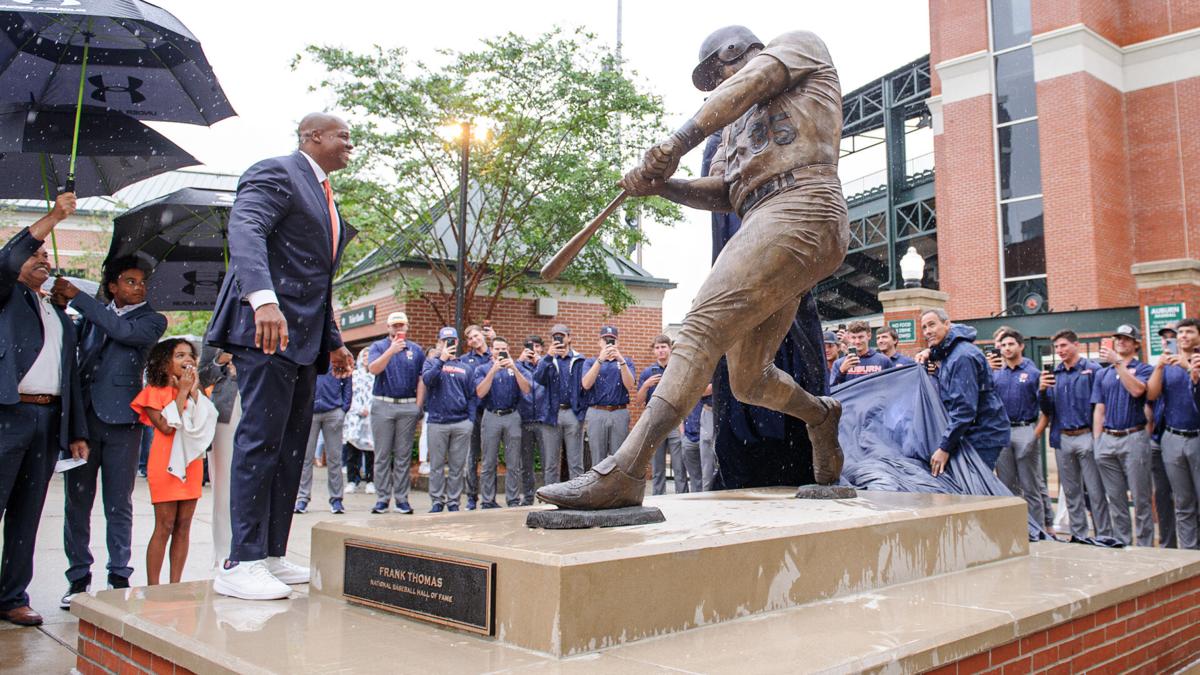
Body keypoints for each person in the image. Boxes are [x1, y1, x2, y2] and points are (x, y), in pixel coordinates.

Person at [539, 26, 848, 509]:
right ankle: (820, 416)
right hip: (764, 222)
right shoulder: (732, 128)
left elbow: (750, 82)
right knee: (749, 379)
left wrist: (678, 141)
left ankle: (625, 471)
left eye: (717, 74)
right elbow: (725, 191)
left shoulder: (798, 47)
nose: (717, 86)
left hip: (804, 201)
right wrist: (661, 185)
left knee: (699, 328)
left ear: (733, 52)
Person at [205, 112, 356, 601]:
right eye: (343, 136)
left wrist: (334, 341)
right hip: (267, 332)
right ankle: (238, 560)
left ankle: (269, 554)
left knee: (291, 449)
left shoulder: (326, 194)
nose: (350, 144)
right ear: (313, 137)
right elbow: (245, 230)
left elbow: (317, 282)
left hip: (304, 342)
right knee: (260, 442)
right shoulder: (277, 171)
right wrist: (263, 300)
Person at [53, 257, 166, 608]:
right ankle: (78, 577)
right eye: (131, 282)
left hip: (123, 425)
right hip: (84, 424)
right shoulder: (92, 317)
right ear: (113, 286)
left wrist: (80, 299)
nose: (140, 287)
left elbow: (123, 333)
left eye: (142, 282)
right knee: (77, 504)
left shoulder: (151, 320)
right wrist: (63, 306)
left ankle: (118, 575)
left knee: (119, 504)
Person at [0, 193, 88, 627]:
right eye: (34, 255)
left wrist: (74, 429)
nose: (43, 260)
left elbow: (67, 375)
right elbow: (8, 258)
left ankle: (12, 596)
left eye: (45, 257)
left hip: (48, 417)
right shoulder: (4, 295)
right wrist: (55, 216)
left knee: (27, 513)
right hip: (7, 415)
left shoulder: (57, 310)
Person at [130, 339, 217, 585]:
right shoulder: (152, 393)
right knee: (165, 524)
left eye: (190, 355)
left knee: (184, 525)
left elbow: (206, 424)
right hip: (165, 463)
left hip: (191, 463)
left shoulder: (195, 393)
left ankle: (175, 584)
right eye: (179, 355)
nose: (187, 359)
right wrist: (181, 394)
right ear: (164, 362)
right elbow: (167, 426)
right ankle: (154, 586)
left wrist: (193, 392)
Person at [1038, 330, 1111, 540]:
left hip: (1087, 435)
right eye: (1057, 347)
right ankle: (1079, 535)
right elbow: (1047, 409)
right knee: (1071, 492)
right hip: (1063, 438)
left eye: (1063, 346)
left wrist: (1098, 438)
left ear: (1075, 345)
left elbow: (1100, 405)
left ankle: (1104, 535)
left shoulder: (1093, 370)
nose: (1060, 351)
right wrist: (1042, 391)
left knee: (1095, 491)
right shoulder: (1055, 374)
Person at [918, 309, 1009, 476]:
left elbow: (963, 409)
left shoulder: (961, 357)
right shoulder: (950, 353)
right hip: (973, 432)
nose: (927, 331)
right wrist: (930, 353)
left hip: (982, 435)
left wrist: (944, 447)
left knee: (975, 492)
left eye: (932, 324)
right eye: (924, 327)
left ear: (947, 324)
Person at [1091, 324, 1155, 547]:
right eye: (1118, 338)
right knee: (1116, 499)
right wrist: (1097, 442)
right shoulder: (1103, 373)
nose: (1121, 342)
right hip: (1108, 438)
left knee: (1141, 498)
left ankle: (1145, 547)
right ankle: (1122, 543)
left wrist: (1118, 363)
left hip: (1134, 435)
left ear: (1136, 344)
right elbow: (1100, 408)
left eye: (1127, 339)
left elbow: (1138, 391)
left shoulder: (1145, 369)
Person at [1147, 318, 1200, 549]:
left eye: (1189, 332)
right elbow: (1151, 394)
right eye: (1181, 332)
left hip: (1197, 437)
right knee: (1183, 501)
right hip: (1172, 438)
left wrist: (1189, 367)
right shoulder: (1167, 364)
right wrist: (1160, 366)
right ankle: (1190, 555)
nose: (1184, 336)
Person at [366, 312, 424, 514]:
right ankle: (382, 498)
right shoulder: (378, 347)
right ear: (388, 327)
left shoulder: (416, 350)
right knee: (382, 454)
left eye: (402, 325)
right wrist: (391, 351)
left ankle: (401, 498)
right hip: (383, 403)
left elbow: (421, 378)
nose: (398, 329)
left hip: (407, 405)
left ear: (407, 327)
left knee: (403, 454)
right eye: (395, 325)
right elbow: (373, 368)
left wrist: (418, 405)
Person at [991, 329, 1050, 526]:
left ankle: (1037, 529)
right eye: (1004, 345)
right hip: (1003, 432)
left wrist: (1035, 435)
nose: (1007, 348)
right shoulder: (997, 376)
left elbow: (1047, 410)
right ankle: (1013, 528)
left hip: (1025, 428)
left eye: (1011, 344)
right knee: (1007, 485)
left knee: (1030, 486)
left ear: (1021, 346)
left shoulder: (1033, 374)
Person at [473, 336, 531, 508]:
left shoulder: (516, 368)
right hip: (491, 415)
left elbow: (527, 389)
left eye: (502, 348)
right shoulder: (483, 368)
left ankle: (512, 499)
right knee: (489, 461)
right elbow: (480, 393)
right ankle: (488, 500)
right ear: (491, 350)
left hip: (512, 415)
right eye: (496, 349)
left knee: (513, 461)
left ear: (508, 349)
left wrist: (514, 367)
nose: (499, 352)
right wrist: (493, 370)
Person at [423, 327, 475, 512]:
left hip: (461, 423)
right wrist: (442, 359)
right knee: (436, 465)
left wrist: (470, 420)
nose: (449, 344)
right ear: (439, 343)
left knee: (457, 466)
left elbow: (471, 395)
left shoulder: (465, 368)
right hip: (437, 422)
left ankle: (453, 502)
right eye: (445, 341)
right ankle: (437, 501)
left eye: (452, 340)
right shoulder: (430, 363)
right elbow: (428, 380)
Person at [199, 347, 240, 568]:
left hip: (261, 402)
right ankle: (225, 552)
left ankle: (257, 549)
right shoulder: (218, 328)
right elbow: (202, 376)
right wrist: (221, 360)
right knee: (224, 484)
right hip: (227, 408)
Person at [533, 324, 587, 483]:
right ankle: (550, 497)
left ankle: (577, 497)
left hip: (573, 413)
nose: (559, 339)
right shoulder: (548, 360)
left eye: (561, 336)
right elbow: (538, 379)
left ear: (569, 338)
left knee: (576, 462)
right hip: (552, 414)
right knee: (551, 463)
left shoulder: (579, 360)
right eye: (555, 337)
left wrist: (581, 413)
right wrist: (548, 357)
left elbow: (585, 387)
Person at [636, 335, 689, 494]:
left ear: (670, 348)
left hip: (674, 423)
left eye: (663, 347)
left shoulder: (678, 369)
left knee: (679, 467)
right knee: (657, 469)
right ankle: (658, 499)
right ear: (654, 351)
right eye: (657, 348)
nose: (660, 351)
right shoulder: (648, 373)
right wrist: (646, 385)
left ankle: (683, 498)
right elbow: (638, 402)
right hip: (655, 425)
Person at [296, 365, 352, 514]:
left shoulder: (337, 357)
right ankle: (302, 498)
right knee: (305, 458)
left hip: (333, 411)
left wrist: (343, 408)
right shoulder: (309, 356)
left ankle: (336, 499)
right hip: (309, 412)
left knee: (335, 458)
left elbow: (347, 382)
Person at [584, 325, 636, 465]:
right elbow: (586, 384)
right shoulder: (590, 362)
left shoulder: (626, 362)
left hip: (619, 411)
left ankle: (617, 487)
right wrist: (600, 360)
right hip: (596, 411)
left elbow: (630, 385)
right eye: (605, 340)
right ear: (599, 342)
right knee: (597, 458)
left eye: (612, 340)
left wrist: (621, 361)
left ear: (617, 343)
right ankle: (598, 487)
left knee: (619, 457)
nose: (608, 343)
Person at [460, 325, 491, 510]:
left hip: (493, 412)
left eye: (476, 335)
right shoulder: (466, 360)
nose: (474, 340)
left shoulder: (496, 355)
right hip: (475, 413)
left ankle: (489, 497)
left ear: (483, 335)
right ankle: (472, 497)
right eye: (470, 338)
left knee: (489, 458)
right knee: (472, 457)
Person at [515, 335, 545, 506]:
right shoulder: (519, 366)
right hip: (524, 419)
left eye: (536, 347)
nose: (534, 350)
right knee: (526, 463)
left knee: (547, 461)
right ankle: (528, 496)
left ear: (541, 348)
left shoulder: (545, 365)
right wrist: (519, 361)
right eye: (530, 347)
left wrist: (541, 362)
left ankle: (547, 496)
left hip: (543, 420)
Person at [343, 348, 375, 495]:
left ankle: (370, 481)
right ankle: (352, 480)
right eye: (365, 355)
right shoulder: (354, 375)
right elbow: (349, 394)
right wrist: (357, 408)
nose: (367, 358)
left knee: (370, 453)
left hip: (371, 417)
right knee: (352, 451)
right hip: (355, 418)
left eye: (370, 355)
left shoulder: (376, 375)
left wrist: (369, 408)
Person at [830, 320, 893, 386]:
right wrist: (841, 371)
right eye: (853, 337)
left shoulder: (884, 361)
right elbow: (831, 390)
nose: (857, 341)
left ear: (869, 336)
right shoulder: (839, 363)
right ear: (848, 338)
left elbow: (891, 386)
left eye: (861, 337)